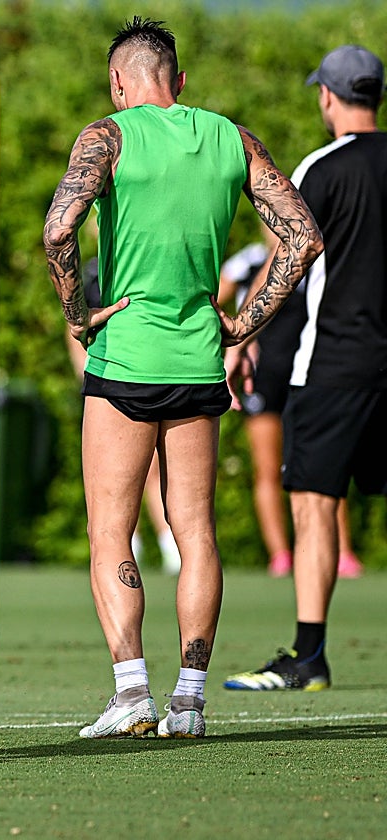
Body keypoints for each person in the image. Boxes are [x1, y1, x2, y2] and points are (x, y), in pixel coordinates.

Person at [43, 17, 322, 738]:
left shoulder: (106, 136)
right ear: (180, 81)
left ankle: (132, 693)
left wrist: (79, 314)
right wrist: (243, 324)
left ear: (117, 82)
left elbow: (58, 230)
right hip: (198, 362)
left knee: (111, 532)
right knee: (195, 529)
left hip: (125, 361)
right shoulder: (231, 138)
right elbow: (303, 237)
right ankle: (189, 701)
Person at [225, 45, 386, 693]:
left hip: (334, 364)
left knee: (315, 501)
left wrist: (241, 334)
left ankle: (309, 656)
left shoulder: (322, 167)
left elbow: (289, 256)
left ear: (327, 96)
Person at [218, 239, 362, 579]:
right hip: (264, 379)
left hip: (311, 373)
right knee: (268, 468)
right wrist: (236, 340)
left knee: (326, 464)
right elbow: (211, 300)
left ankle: (342, 552)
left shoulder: (316, 256)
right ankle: (280, 555)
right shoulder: (248, 261)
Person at [64, 256, 182, 575]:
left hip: (144, 373)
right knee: (119, 480)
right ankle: (136, 546)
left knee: (150, 470)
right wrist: (90, 377)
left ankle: (167, 544)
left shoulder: (143, 262)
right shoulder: (93, 272)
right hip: (111, 379)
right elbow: (74, 324)